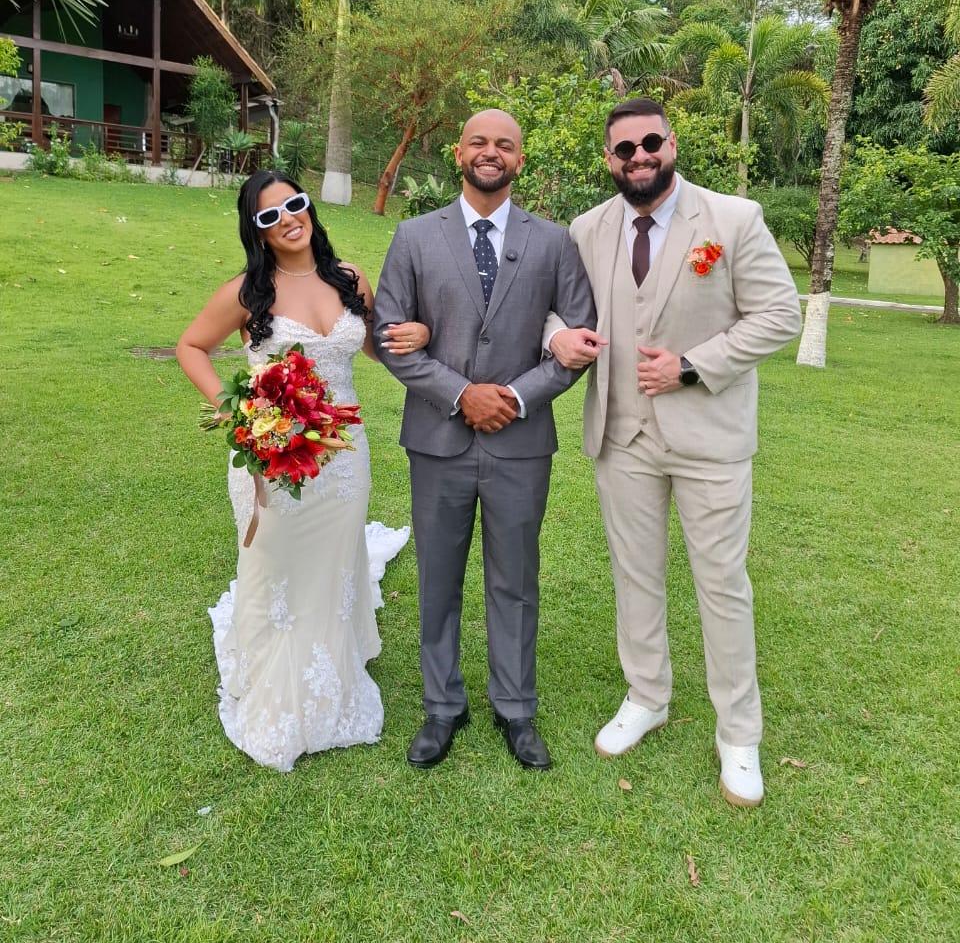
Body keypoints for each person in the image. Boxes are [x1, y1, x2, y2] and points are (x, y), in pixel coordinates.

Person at [546, 98, 802, 806]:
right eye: (624, 149)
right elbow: (557, 307)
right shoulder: (588, 228)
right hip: (621, 435)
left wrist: (691, 365)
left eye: (651, 142)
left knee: (722, 583)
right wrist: (555, 336)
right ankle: (646, 695)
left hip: (708, 440)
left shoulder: (732, 219)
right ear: (609, 159)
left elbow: (780, 313)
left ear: (672, 144)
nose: (640, 157)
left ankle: (739, 734)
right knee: (635, 575)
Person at [176, 170, 429, 772]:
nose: (288, 219)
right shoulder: (247, 293)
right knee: (276, 561)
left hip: (344, 454)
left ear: (308, 206)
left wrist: (414, 333)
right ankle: (272, 667)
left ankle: (333, 655)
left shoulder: (349, 279)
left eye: (294, 204)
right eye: (270, 216)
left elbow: (374, 347)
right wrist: (235, 412)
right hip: (274, 454)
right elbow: (191, 347)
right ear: (257, 231)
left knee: (335, 556)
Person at [373, 110, 596, 771]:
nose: (490, 152)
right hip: (437, 439)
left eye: (504, 144)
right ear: (459, 153)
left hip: (520, 444)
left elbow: (579, 339)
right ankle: (442, 705)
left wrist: (517, 397)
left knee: (515, 580)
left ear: (519, 159)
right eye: (479, 142)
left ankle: (515, 707)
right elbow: (390, 334)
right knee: (437, 577)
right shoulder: (414, 236)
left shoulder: (554, 242)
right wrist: (460, 393)